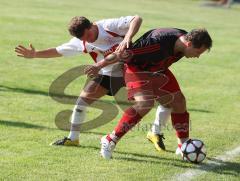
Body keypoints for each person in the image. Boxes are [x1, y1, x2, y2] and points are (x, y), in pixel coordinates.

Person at [15, 15, 171, 149]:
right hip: (107, 74)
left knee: (165, 100)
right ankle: (73, 139)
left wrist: (128, 38)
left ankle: (155, 132)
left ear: (92, 26)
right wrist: (35, 54)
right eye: (83, 39)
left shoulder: (109, 26)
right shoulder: (81, 41)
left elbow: (136, 19)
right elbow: (58, 51)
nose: (87, 40)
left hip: (131, 68)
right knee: (81, 102)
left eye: (87, 36)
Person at [85, 27, 212, 159]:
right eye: (198, 52)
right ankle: (110, 140)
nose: (197, 56)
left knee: (178, 101)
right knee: (145, 103)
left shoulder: (184, 40)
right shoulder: (156, 43)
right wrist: (98, 66)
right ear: (189, 44)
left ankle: (183, 145)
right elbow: (122, 53)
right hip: (136, 68)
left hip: (158, 69)